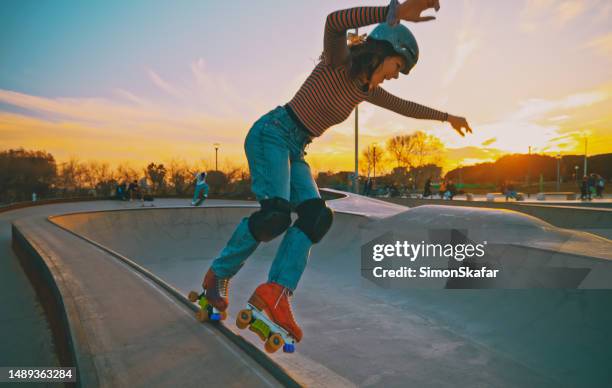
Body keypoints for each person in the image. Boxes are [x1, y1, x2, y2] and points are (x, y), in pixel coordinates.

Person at [198, 0, 473, 347]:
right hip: (272, 132)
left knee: (317, 217)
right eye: (397, 66)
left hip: (296, 148)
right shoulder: (337, 60)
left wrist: (448, 117)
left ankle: (276, 293)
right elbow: (334, 21)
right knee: (275, 217)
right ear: (383, 50)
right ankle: (217, 276)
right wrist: (393, 12)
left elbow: (407, 107)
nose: (394, 76)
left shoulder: (366, 90)